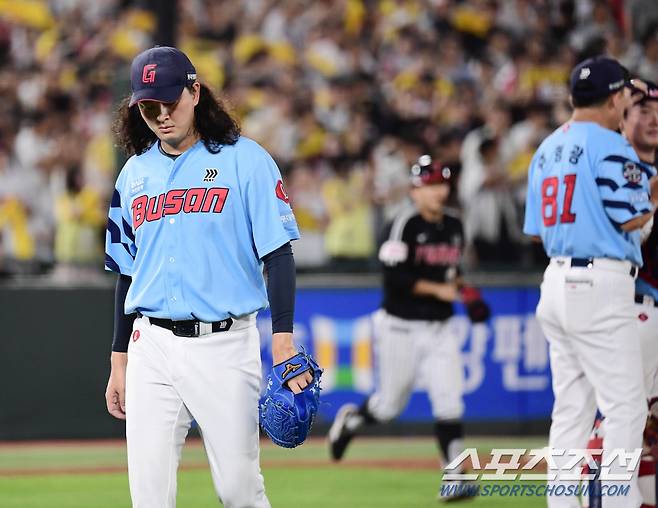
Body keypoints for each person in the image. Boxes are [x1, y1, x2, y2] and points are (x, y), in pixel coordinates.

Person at [103, 46, 311, 508]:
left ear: (195, 92)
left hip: (223, 344)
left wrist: (282, 338)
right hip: (150, 345)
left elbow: (278, 255)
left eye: (169, 102)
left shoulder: (246, 161)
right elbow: (125, 274)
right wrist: (120, 360)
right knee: (149, 497)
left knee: (239, 490)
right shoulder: (133, 175)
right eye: (148, 107)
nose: (160, 115)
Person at [523, 56, 658, 508]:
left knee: (572, 409)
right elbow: (635, 214)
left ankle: (562, 503)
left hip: (556, 278)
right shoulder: (611, 145)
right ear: (616, 97)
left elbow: (539, 228)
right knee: (626, 407)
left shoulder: (546, 147)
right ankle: (620, 502)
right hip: (599, 284)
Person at [328, 154, 479, 502]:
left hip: (440, 327)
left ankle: (453, 475)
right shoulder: (403, 224)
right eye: (429, 186)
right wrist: (441, 289)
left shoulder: (455, 225)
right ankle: (352, 419)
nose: (438, 192)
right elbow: (394, 278)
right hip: (400, 327)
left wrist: (465, 291)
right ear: (414, 191)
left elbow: (451, 273)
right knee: (388, 406)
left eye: (441, 184)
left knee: (450, 402)